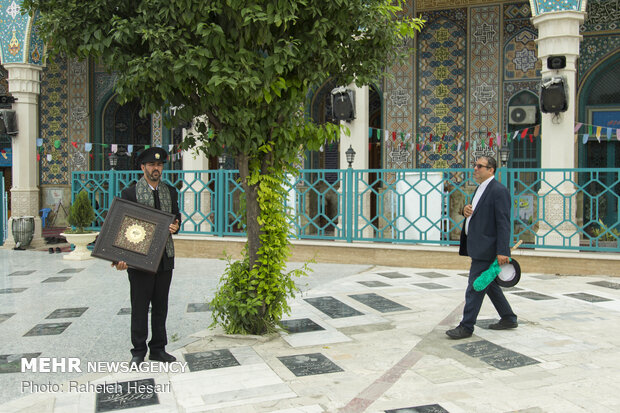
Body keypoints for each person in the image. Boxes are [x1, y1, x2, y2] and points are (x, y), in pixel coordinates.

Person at [112, 147, 181, 364]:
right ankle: (138, 351)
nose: (155, 169)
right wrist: (120, 258)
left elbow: (176, 217)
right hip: (139, 260)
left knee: (161, 306)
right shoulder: (130, 193)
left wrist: (176, 226)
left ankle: (158, 349)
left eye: (159, 165)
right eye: (151, 165)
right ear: (143, 167)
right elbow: (122, 228)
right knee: (140, 306)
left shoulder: (170, 192)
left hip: (164, 258)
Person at [446, 155, 517, 339]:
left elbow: (503, 223)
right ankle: (508, 317)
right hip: (477, 246)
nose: (475, 169)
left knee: (475, 287)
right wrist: (465, 211)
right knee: (490, 284)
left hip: (487, 248)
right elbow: (477, 213)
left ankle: (466, 326)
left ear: (491, 169)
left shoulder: (498, 190)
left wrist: (503, 250)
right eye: (475, 165)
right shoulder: (480, 188)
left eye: (479, 166)